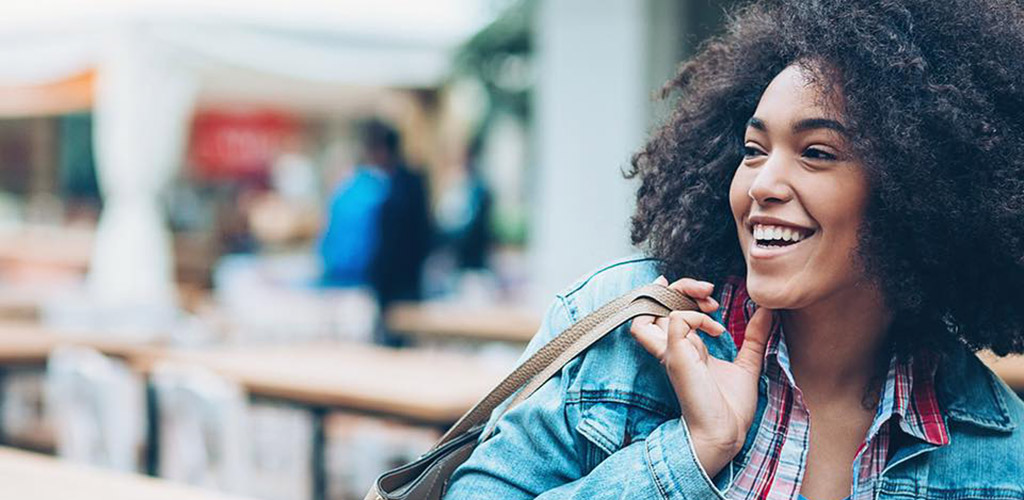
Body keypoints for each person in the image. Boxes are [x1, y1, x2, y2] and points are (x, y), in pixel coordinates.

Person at [444, 0, 1024, 499]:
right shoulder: (620, 331)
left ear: (916, 189)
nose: (762, 184)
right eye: (753, 149)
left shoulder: (1001, 453)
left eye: (817, 152)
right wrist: (688, 454)